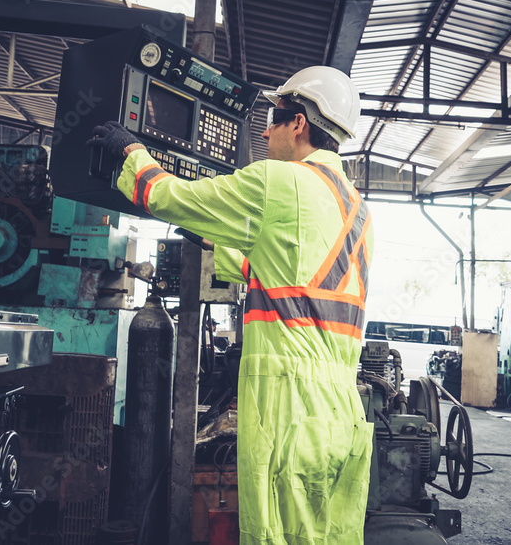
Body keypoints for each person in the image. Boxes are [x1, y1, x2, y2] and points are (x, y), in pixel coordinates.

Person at [87, 65, 374, 544]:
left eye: (273, 118)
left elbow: (166, 194)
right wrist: (213, 239)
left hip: (291, 412)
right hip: (342, 413)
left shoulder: (278, 181)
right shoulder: (357, 208)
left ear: (298, 121)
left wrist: (132, 153)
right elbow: (291, 278)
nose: (263, 130)